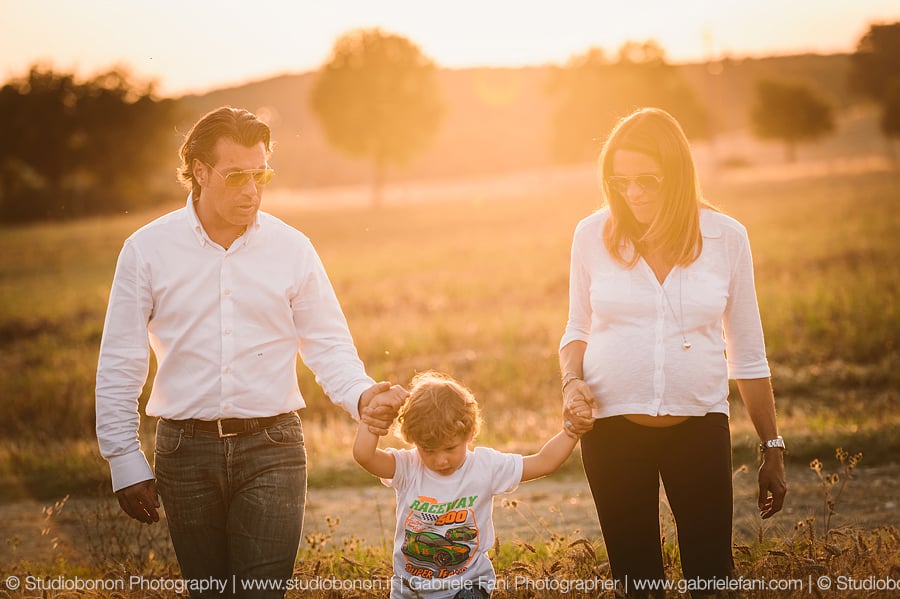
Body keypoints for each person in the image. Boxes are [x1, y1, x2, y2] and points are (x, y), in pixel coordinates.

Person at [95, 106, 405, 597]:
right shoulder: (145, 250)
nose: (252, 190)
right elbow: (120, 359)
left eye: (260, 174)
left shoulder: (292, 248)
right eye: (236, 176)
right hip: (183, 451)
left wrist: (362, 397)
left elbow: (328, 345)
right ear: (199, 172)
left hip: (273, 449)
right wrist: (122, 457)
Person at [558, 107, 786, 597]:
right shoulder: (591, 235)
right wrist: (570, 380)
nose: (632, 192)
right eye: (619, 182)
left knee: (712, 578)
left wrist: (772, 446)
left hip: (699, 428)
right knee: (636, 581)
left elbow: (747, 351)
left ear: (678, 174)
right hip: (610, 431)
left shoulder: (728, 238)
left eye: (646, 179)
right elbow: (577, 326)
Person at [353, 371, 590, 598]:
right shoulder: (408, 467)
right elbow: (365, 456)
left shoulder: (485, 467)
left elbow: (544, 462)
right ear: (414, 442)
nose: (441, 460)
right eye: (429, 450)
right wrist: (373, 415)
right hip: (410, 590)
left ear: (470, 433)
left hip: (468, 587)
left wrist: (571, 430)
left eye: (449, 448)